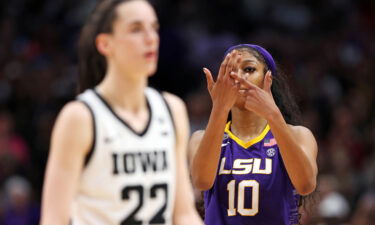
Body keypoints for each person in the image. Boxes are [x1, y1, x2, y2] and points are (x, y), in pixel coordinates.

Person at [40, 0, 203, 224]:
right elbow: (53, 220)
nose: (151, 38)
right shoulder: (80, 117)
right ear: (105, 44)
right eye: (136, 29)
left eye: (154, 28)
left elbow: (183, 213)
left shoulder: (172, 110)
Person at [189, 44, 318, 225]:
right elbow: (202, 182)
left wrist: (273, 115)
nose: (239, 77)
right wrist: (219, 108)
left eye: (249, 69)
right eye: (230, 71)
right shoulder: (200, 139)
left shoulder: (298, 135)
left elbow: (306, 185)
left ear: (268, 78)